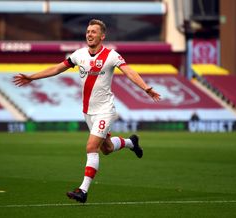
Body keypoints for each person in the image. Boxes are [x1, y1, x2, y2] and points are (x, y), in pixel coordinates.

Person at [13, 19, 161, 203]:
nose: (89, 34)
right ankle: (131, 142)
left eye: (93, 31)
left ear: (102, 36)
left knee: (91, 147)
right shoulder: (79, 54)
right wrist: (32, 77)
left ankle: (83, 190)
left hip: (105, 110)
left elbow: (129, 71)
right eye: (88, 31)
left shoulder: (111, 55)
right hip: (88, 111)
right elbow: (58, 68)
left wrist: (145, 88)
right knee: (106, 148)